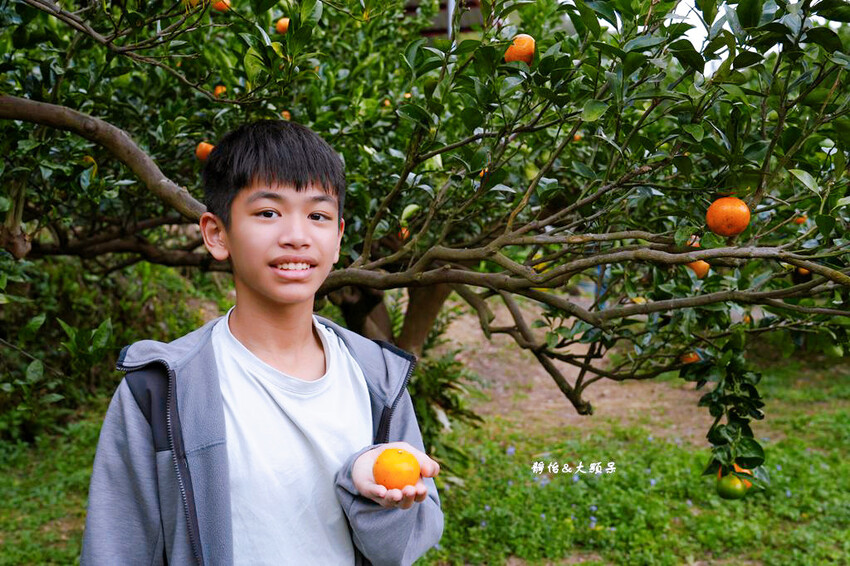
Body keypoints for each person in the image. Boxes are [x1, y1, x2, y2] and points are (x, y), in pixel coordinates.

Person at [80, 120, 444, 565]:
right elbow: (116, 550)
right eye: (268, 213)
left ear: (337, 240)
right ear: (217, 234)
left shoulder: (377, 379)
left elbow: (402, 548)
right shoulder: (161, 390)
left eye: (318, 216)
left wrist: (374, 494)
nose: (297, 236)